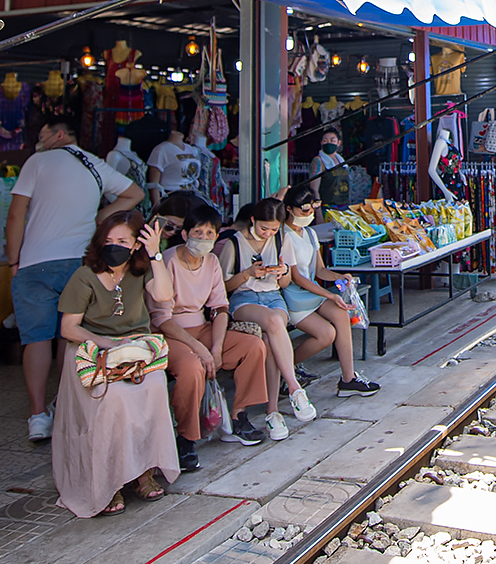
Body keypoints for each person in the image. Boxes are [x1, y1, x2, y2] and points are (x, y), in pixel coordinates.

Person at [7, 117, 144, 442]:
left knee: (36, 339)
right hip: (81, 263)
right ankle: (67, 404)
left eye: (41, 135)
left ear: (58, 135)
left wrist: (13, 260)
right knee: (71, 334)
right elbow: (134, 193)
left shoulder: (37, 161)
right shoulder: (94, 164)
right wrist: (95, 219)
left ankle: (38, 416)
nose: (38, 142)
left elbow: (16, 213)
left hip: (35, 262)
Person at [54, 213, 182, 516]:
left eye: (122, 241)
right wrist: (108, 344)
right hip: (94, 351)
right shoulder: (85, 275)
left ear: (136, 242)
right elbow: (69, 328)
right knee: (115, 399)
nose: (114, 247)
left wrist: (155, 253)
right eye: (109, 241)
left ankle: (143, 472)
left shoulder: (141, 271)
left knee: (153, 388)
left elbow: (164, 295)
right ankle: (108, 482)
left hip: (135, 351)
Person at [151, 200, 280, 459]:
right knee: (191, 367)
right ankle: (186, 437)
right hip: (172, 334)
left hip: (204, 327)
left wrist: (217, 347)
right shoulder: (167, 260)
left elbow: (220, 308)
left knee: (253, 346)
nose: (204, 238)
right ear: (185, 234)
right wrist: (200, 349)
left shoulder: (211, 261)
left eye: (210, 233)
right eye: (198, 232)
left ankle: (238, 415)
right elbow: (161, 318)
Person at [217, 198, 318, 439]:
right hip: (245, 299)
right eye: (264, 228)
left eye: (273, 229)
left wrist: (282, 272)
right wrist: (248, 274)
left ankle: (273, 412)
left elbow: (284, 283)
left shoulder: (281, 240)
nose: (269, 233)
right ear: (252, 220)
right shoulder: (234, 243)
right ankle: (294, 388)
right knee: (274, 323)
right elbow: (223, 287)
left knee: (271, 338)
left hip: (273, 297)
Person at [278, 184, 380, 396]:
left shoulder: (309, 233)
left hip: (312, 292)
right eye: (303, 210)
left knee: (341, 313)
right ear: (289, 209)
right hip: (294, 297)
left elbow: (321, 270)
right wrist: (328, 294)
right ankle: (282, 367)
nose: (308, 214)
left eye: (312, 209)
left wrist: (340, 277)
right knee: (326, 334)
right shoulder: (284, 236)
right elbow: (296, 278)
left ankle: (348, 378)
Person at [146, 112, 203, 207]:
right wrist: (156, 208)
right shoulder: (161, 150)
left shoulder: (191, 149)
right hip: (172, 197)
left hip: (192, 195)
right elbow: (153, 184)